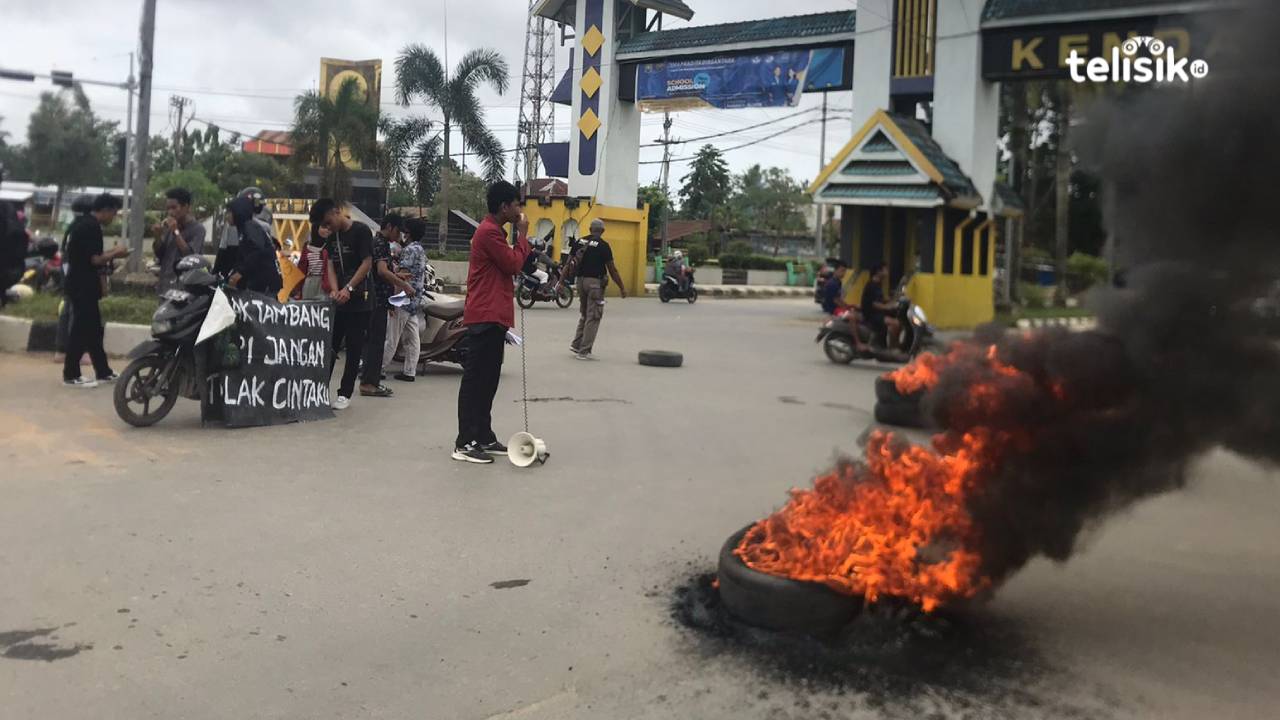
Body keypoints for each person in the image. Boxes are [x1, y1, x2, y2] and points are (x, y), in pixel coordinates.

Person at [453, 181, 530, 464]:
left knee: (488, 381)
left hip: (494, 315)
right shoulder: (488, 233)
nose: (520, 210)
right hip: (484, 315)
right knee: (475, 381)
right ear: (503, 207)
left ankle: (483, 435)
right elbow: (512, 264)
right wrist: (522, 235)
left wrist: (519, 241)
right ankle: (464, 442)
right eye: (516, 204)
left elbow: (512, 262)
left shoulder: (494, 232)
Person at [311, 199, 373, 411]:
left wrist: (349, 289)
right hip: (339, 300)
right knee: (330, 346)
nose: (328, 227)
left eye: (329, 222)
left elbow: (367, 263)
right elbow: (330, 264)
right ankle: (319, 390)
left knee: (354, 347)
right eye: (325, 225)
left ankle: (345, 393)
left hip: (360, 299)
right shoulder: (333, 236)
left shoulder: (361, 231)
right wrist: (336, 290)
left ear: (337, 212)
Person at [62, 194, 129, 388]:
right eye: (114, 214)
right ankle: (71, 374)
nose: (113, 218)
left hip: (78, 283)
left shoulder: (78, 224)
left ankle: (103, 371)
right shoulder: (91, 227)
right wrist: (116, 253)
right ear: (106, 210)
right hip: (83, 285)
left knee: (93, 330)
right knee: (80, 330)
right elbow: (95, 260)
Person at [360, 213, 414, 398]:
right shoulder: (381, 244)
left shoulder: (378, 243)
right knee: (376, 343)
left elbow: (380, 271)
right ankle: (369, 383)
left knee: (372, 342)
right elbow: (382, 272)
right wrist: (404, 285)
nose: (398, 237)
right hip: (378, 300)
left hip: (376, 299)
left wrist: (397, 276)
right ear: (390, 227)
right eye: (398, 232)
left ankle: (369, 381)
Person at [563, 218, 626, 360]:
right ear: (602, 231)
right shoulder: (603, 245)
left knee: (585, 314)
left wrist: (560, 283)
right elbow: (612, 269)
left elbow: (568, 264)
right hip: (594, 284)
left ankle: (576, 344)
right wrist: (621, 287)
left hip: (580, 282)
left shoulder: (579, 242)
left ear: (590, 229)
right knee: (594, 316)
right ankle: (584, 351)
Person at [385, 218, 428, 382]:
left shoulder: (409, 250)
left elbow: (402, 277)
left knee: (392, 337)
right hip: (415, 299)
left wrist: (393, 300)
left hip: (403, 298)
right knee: (412, 337)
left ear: (408, 233)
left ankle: (378, 367)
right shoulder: (420, 250)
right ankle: (409, 372)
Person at [153, 187, 207, 296]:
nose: (170, 212)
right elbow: (160, 254)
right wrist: (158, 236)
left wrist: (176, 231)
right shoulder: (169, 227)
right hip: (165, 285)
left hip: (184, 288)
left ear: (186, 207)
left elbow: (190, 255)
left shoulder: (198, 229)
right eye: (168, 208)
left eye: (174, 208)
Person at [225, 196, 282, 295]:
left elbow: (257, 251)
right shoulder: (242, 229)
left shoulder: (250, 227)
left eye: (230, 212)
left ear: (238, 212)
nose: (227, 216)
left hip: (265, 282)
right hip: (257, 281)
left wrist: (240, 273)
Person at [821, 258, 870, 353]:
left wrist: (852, 306)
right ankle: (857, 342)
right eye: (841, 271)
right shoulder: (832, 283)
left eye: (844, 271)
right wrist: (848, 308)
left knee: (859, 313)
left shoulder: (838, 282)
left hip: (839, 308)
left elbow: (840, 299)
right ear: (835, 270)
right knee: (852, 317)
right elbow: (836, 301)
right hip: (834, 310)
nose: (843, 273)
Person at [861, 262, 901, 350]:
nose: (887, 272)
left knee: (897, 319)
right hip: (871, 315)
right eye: (885, 269)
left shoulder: (878, 283)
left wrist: (893, 302)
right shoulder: (872, 285)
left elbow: (881, 299)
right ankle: (892, 348)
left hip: (877, 313)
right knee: (895, 324)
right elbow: (875, 304)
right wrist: (887, 307)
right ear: (879, 272)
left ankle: (885, 344)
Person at [296, 225, 332, 300]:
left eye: (329, 229)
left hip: (324, 283)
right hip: (309, 282)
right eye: (324, 227)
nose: (327, 230)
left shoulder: (329, 245)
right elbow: (302, 268)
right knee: (308, 305)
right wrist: (298, 288)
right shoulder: (307, 247)